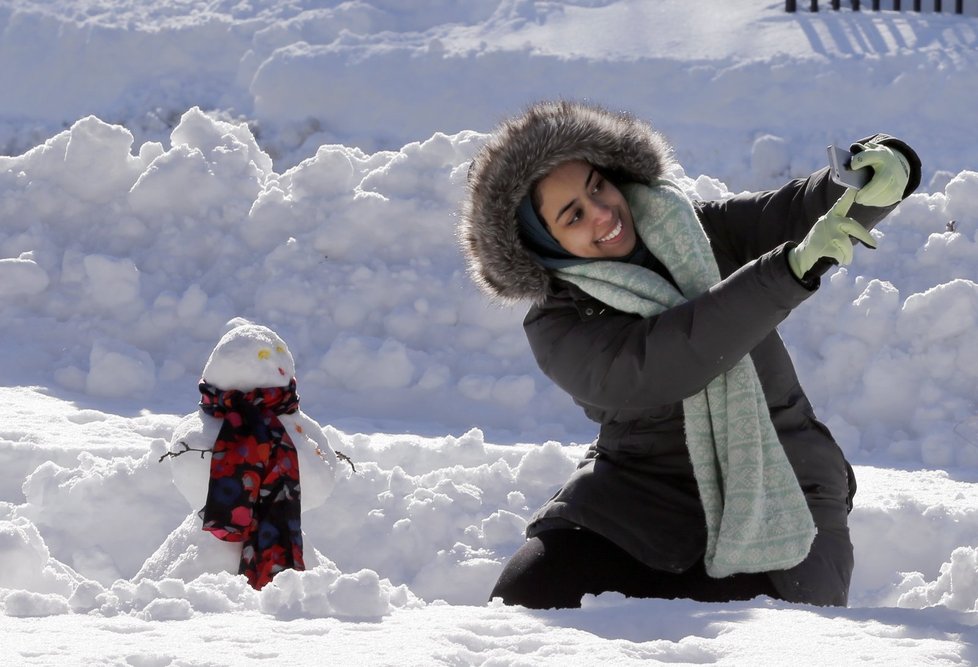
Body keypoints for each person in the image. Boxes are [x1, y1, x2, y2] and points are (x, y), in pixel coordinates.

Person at [459, 100, 920, 609]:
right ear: (544, 244)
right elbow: (668, 360)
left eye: (597, 186)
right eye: (574, 215)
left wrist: (869, 179)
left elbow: (793, 212)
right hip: (642, 486)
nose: (603, 213)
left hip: (780, 476)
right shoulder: (558, 324)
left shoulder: (691, 232)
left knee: (768, 636)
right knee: (524, 602)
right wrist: (786, 273)